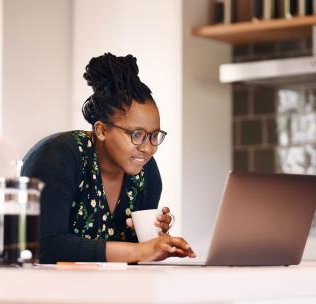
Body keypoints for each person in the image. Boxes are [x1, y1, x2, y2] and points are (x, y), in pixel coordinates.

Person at [22, 52, 196, 264]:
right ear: (102, 130)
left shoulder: (146, 173)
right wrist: (139, 251)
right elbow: (45, 247)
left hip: (111, 289)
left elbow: (133, 257)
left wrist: (153, 240)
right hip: (43, 292)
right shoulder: (57, 157)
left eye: (153, 136)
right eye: (136, 135)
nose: (148, 148)